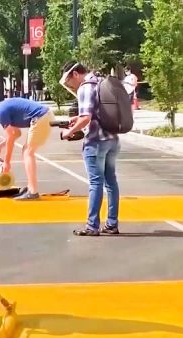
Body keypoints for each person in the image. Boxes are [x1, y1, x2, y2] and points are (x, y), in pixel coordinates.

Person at [60, 61, 121, 236]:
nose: (70, 84)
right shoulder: (100, 82)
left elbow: (86, 118)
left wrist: (69, 132)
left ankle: (92, 226)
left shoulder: (85, 88)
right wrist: (76, 119)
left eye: (69, 80)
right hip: (112, 139)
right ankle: (112, 224)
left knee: (96, 183)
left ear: (75, 74)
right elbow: (93, 113)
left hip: (96, 141)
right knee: (111, 183)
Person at [0, 97, 56, 200]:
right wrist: (1, 145)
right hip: (43, 116)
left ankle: (33, 192)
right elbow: (16, 133)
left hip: (41, 117)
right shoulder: (1, 108)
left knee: (28, 152)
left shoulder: (0, 113)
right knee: (26, 150)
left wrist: (6, 162)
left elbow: (11, 136)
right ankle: (30, 188)